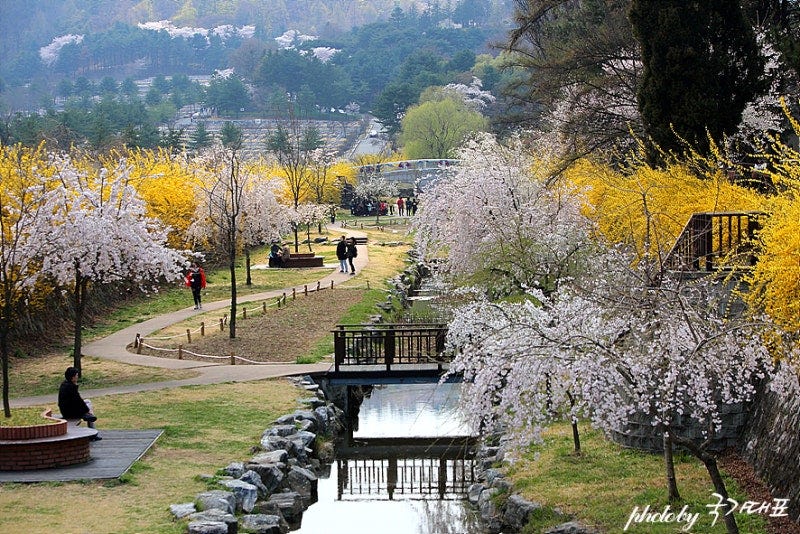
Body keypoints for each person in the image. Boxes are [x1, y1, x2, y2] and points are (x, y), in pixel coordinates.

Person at [58, 367, 101, 441]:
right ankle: (92, 432)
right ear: (73, 377)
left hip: (66, 410)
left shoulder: (65, 384)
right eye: (77, 375)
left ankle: (88, 416)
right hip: (70, 413)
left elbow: (77, 401)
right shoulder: (71, 387)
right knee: (88, 406)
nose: (77, 377)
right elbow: (78, 401)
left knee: (87, 402)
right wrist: (87, 410)